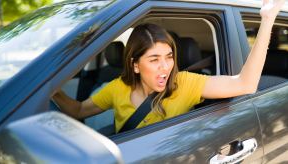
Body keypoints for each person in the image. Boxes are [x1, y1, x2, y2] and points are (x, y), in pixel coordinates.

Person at [53, 0, 285, 133]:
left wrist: (266, 20)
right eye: (154, 60)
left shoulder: (184, 82)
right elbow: (79, 111)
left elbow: (246, 83)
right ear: (135, 66)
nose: (165, 67)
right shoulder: (117, 88)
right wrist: (51, 89)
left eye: (169, 56)